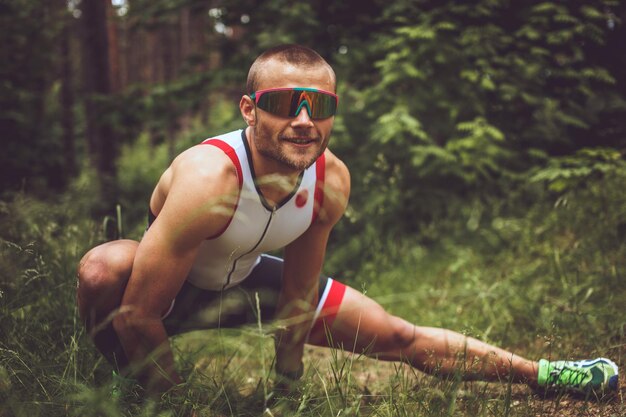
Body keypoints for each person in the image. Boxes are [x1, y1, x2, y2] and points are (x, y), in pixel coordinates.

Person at [77, 44, 618, 399]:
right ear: (249, 109)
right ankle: (118, 386)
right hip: (168, 293)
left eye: (320, 105)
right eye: (287, 103)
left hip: (248, 284)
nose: (304, 121)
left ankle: (546, 375)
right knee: (104, 269)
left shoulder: (330, 179)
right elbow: (137, 313)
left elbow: (299, 286)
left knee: (399, 335)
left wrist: (287, 382)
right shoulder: (209, 177)